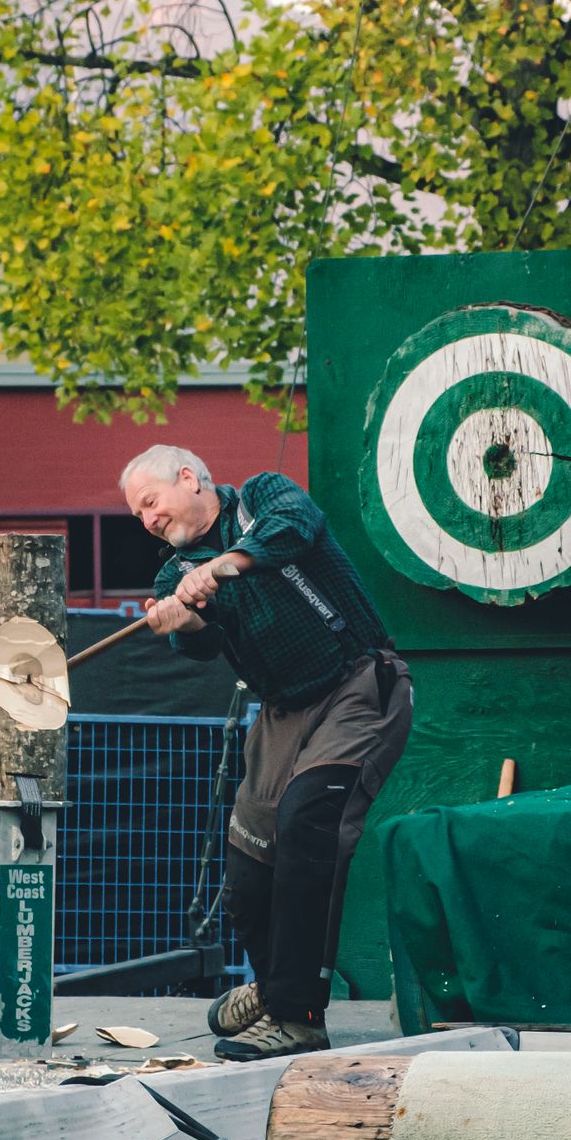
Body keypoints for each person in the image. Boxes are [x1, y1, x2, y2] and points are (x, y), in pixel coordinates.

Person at [120, 444, 412, 1061]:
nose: (146, 521)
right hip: (279, 714)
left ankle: (297, 1016)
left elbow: (294, 529)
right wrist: (188, 622)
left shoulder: (261, 496)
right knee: (247, 881)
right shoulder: (172, 575)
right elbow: (204, 647)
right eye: (138, 516)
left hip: (356, 684)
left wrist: (224, 566)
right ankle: (276, 985)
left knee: (307, 823)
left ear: (188, 477)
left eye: (150, 503)